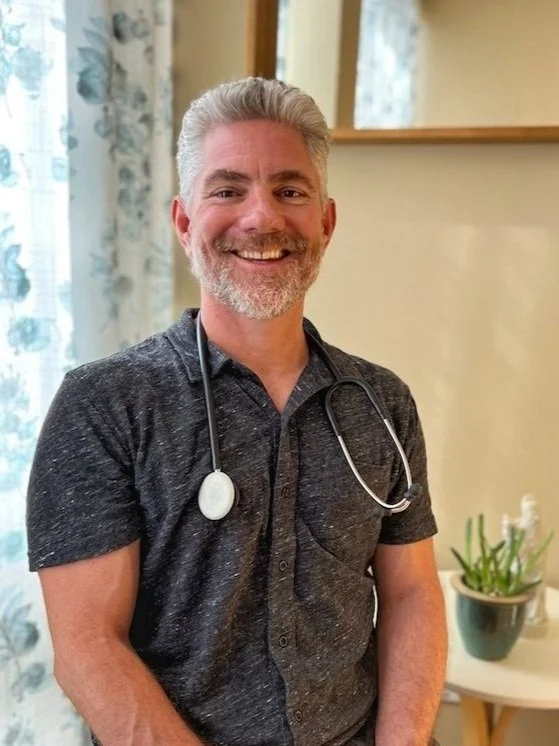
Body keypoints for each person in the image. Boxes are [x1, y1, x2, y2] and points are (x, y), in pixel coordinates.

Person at [26, 77, 447, 746]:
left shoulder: (381, 403)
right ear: (184, 222)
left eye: (290, 191)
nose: (261, 219)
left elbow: (412, 594)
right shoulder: (104, 406)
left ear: (326, 222)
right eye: (227, 190)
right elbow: (87, 647)